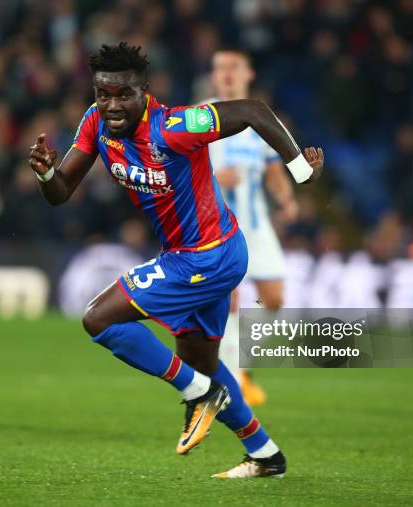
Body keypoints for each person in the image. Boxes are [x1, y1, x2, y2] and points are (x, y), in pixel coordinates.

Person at [28, 42, 323, 478]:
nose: (111, 104)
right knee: (202, 361)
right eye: (102, 94)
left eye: (122, 94)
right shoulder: (95, 123)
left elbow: (255, 111)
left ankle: (200, 393)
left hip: (208, 256)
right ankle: (265, 454)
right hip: (193, 256)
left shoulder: (175, 126)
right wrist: (47, 173)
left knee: (98, 319)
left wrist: (300, 169)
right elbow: (61, 193)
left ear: (144, 91)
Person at [208, 48, 298, 406]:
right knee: (229, 299)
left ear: (249, 73)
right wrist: (214, 177)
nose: (226, 74)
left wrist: (287, 199)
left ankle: (237, 363)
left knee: (273, 299)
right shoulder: (201, 116)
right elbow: (179, 169)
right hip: (219, 227)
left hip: (257, 226)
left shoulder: (261, 119)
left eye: (233, 67)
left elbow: (274, 169)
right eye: (219, 69)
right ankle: (232, 381)